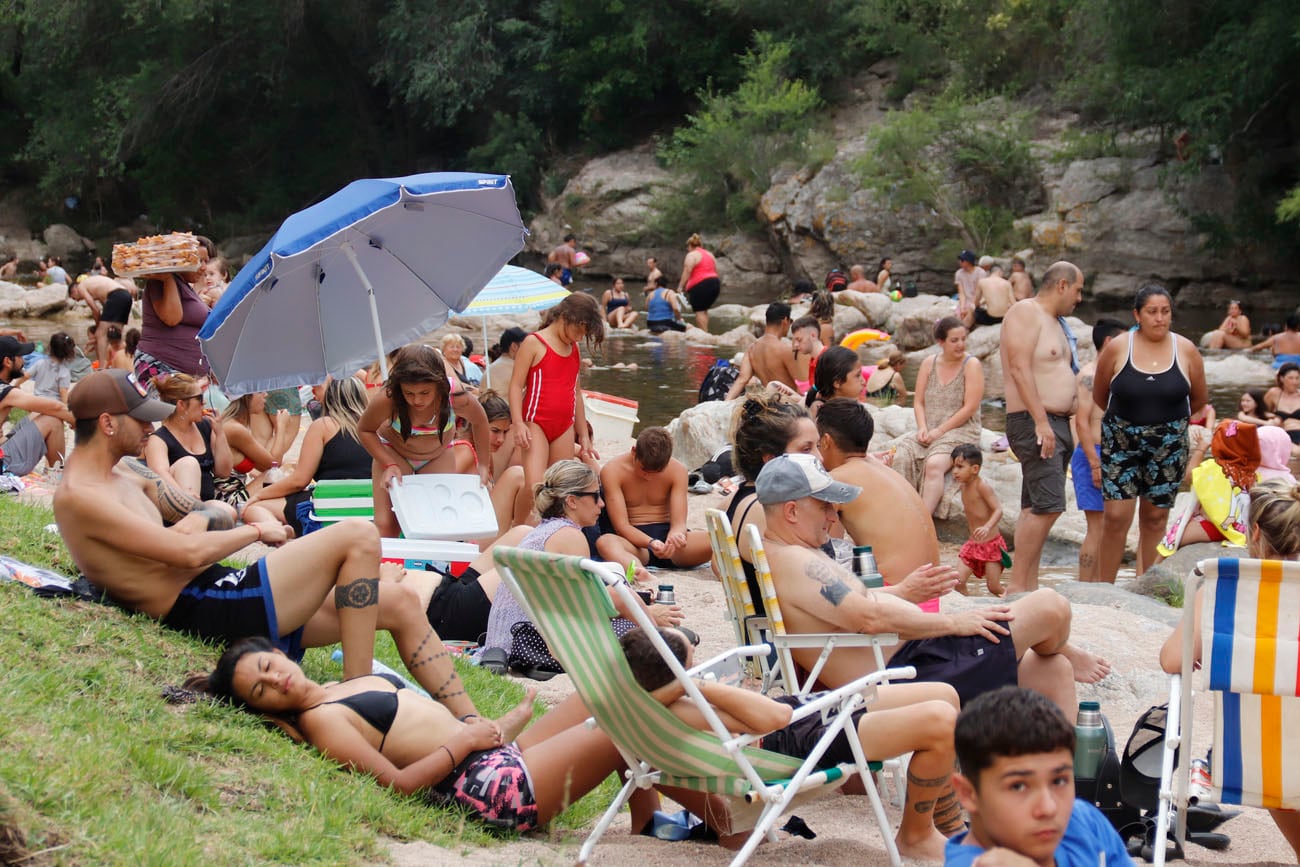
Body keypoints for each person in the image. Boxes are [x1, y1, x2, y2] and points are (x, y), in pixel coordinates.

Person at [55, 370, 486, 714]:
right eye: (140, 416)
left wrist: (211, 516)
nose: (151, 425)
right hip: (202, 603)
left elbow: (203, 513)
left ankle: (472, 721)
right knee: (359, 534)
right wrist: (256, 531)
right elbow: (187, 551)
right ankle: (358, 692)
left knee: (400, 603)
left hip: (220, 587)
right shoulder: (83, 496)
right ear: (108, 423)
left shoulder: (127, 475)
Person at [756, 453, 1098, 713]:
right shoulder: (801, 563)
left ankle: (1063, 790)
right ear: (791, 512)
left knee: (1052, 670)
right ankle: (1055, 643)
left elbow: (846, 606)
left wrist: (901, 592)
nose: (833, 516)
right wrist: (953, 623)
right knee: (1051, 607)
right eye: (825, 507)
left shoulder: (790, 554)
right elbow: (869, 619)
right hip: (912, 671)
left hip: (916, 659)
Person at [623, 626, 963, 861]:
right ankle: (916, 836)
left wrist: (687, 683)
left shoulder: (659, 696)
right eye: (691, 658)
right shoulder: (683, 706)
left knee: (945, 694)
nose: (697, 664)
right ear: (677, 672)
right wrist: (697, 686)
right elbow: (773, 718)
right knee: (939, 722)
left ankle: (945, 823)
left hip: (799, 713)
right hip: (798, 742)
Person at [1158, 478, 1300, 862]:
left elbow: (1173, 660)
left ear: (1254, 532)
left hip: (1258, 757)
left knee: (1274, 759)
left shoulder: (1226, 593)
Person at [481, 460, 681, 664]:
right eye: (596, 496)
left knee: (622, 604)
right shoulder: (569, 536)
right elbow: (587, 609)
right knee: (623, 607)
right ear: (572, 501)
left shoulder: (546, 530)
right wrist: (637, 609)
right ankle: (658, 642)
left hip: (509, 639)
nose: (601, 504)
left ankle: (655, 635)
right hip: (533, 640)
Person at [945, 686, 1134, 867]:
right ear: (968, 793)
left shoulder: (1083, 820)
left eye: (1059, 781)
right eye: (1018, 786)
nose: (1048, 808)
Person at [1093, 285, 1207, 582]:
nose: (1159, 318)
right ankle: (1104, 586)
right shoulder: (1119, 347)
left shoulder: (1186, 349)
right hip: (1121, 440)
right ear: (1137, 315)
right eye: (1152, 312)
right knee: (1117, 516)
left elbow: (1198, 401)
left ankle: (1145, 584)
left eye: (1165, 312)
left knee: (1155, 517)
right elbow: (1099, 395)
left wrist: (1167, 422)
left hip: (1168, 444)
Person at [816, 399, 953, 615]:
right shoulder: (882, 471)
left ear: (825, 441)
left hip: (897, 599)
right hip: (928, 601)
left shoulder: (837, 481)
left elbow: (823, 550)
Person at [1001, 261, 1085, 594]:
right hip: (1036, 420)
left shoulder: (1057, 323)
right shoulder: (1026, 312)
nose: (1079, 298)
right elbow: (1020, 368)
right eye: (1078, 290)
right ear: (1062, 285)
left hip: (1057, 422)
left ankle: (1027, 584)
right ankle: (1018, 587)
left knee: (1033, 506)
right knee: (1049, 506)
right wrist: (1040, 422)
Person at [359, 343, 491, 537]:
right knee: (386, 523)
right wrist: (388, 464)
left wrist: (484, 465)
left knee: (439, 524)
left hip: (438, 455)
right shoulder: (389, 397)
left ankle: (432, 566)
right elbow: (364, 429)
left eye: (425, 393)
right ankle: (387, 565)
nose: (417, 400)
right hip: (395, 453)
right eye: (409, 393)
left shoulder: (454, 395)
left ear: (439, 385)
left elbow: (480, 422)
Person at [722, 393, 824, 612]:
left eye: (818, 446)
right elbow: (819, 586)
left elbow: (716, 565)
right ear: (770, 459)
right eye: (806, 449)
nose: (820, 458)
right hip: (800, 637)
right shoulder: (770, 511)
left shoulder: (733, 502)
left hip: (766, 632)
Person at [243, 377, 374, 536]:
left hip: (327, 508)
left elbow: (299, 480)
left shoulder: (324, 425)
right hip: (370, 509)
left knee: (255, 508)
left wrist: (259, 495)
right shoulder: (375, 429)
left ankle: (282, 535)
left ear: (332, 396)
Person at [509, 292, 604, 499]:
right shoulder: (534, 342)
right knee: (535, 486)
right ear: (565, 317)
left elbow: (576, 393)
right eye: (579, 330)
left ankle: (548, 529)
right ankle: (521, 527)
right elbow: (516, 386)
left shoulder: (574, 348)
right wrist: (518, 423)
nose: (580, 337)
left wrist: (584, 436)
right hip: (536, 422)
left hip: (564, 426)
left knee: (561, 488)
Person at [891, 316, 984, 515]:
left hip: (961, 431)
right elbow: (918, 401)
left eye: (963, 339)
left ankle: (922, 521)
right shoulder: (928, 363)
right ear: (940, 342)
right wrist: (922, 427)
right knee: (900, 455)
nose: (960, 344)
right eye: (954, 340)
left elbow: (970, 407)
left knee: (933, 464)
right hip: (930, 427)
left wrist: (939, 431)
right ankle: (901, 513)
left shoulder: (971, 364)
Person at [597, 427, 713, 573]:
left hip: (670, 544)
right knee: (605, 542)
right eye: (644, 469)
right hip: (635, 545)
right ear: (634, 451)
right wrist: (651, 543)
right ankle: (642, 574)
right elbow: (622, 527)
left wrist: (676, 535)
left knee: (720, 539)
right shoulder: (613, 470)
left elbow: (679, 523)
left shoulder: (677, 470)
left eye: (657, 472)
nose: (648, 477)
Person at [1072, 318, 1128, 582]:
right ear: (1109, 342)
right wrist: (1095, 463)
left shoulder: (1118, 374)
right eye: (1124, 339)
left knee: (1113, 526)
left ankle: (1104, 585)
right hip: (1094, 453)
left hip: (1116, 455)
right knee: (1097, 527)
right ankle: (1085, 587)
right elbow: (1081, 422)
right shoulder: (1089, 376)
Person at [145, 373, 234, 505]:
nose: (204, 402)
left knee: (226, 511)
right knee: (189, 463)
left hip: (207, 503)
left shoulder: (206, 426)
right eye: (199, 398)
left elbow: (224, 472)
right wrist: (186, 497)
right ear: (181, 405)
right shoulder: (158, 440)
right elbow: (160, 476)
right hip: (178, 505)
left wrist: (220, 433)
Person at [134, 249, 211, 391]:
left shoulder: (184, 285)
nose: (204, 267)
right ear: (182, 258)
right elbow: (171, 318)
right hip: (160, 366)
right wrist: (167, 276)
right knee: (172, 412)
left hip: (185, 374)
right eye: (200, 260)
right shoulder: (159, 282)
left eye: (207, 261)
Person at [0, 336, 74, 475]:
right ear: (7, 361)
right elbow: (56, 408)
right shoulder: (6, 392)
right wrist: (78, 422)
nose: (24, 361)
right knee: (53, 420)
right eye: (20, 356)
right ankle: (55, 474)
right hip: (3, 466)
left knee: (37, 414)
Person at [951, 444, 1007, 597]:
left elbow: (998, 510)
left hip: (991, 545)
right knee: (958, 581)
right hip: (973, 544)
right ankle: (968, 608)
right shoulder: (963, 486)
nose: (954, 471)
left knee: (993, 587)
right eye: (953, 467)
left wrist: (987, 527)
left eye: (960, 467)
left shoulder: (982, 487)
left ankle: (1014, 603)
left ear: (975, 469)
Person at [220, 391, 295, 503]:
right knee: (290, 469)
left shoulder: (232, 424)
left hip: (229, 494)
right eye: (259, 392)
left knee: (288, 465)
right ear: (246, 397)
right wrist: (281, 427)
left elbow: (264, 466)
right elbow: (274, 464)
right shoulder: (234, 429)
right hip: (229, 500)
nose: (265, 394)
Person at [725, 302, 801, 399]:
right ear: (785, 320)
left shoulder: (752, 348)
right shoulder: (785, 349)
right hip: (790, 404)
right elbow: (800, 385)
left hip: (770, 403)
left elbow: (742, 379)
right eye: (791, 321)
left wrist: (725, 403)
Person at [72, 273, 138, 365]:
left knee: (100, 335)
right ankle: (124, 361)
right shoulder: (95, 285)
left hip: (116, 295)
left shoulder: (81, 287)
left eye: (74, 298)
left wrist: (98, 329)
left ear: (74, 290)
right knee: (116, 336)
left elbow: (96, 310)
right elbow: (106, 309)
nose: (77, 301)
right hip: (126, 297)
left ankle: (102, 367)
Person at [804, 345, 866, 415]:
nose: (864, 381)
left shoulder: (848, 405)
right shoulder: (822, 413)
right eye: (857, 375)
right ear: (838, 383)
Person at [677, 233, 721, 330]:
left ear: (690, 246)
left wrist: (680, 287)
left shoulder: (692, 255)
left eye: (687, 247)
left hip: (701, 285)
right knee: (704, 310)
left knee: (699, 311)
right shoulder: (710, 254)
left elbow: (687, 270)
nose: (687, 249)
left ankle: (703, 335)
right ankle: (706, 332)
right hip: (715, 283)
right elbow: (717, 269)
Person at [26, 331, 75, 402]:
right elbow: (63, 391)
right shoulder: (64, 371)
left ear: (51, 347)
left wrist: (16, 385)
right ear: (69, 352)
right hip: (53, 403)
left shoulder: (40, 363)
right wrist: (66, 408)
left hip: (37, 401)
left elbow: (26, 375)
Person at [1265, 362, 1300, 449]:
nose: (1295, 382)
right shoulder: (1274, 393)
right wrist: (1275, 418)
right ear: (1282, 378)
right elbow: (1261, 412)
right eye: (1291, 378)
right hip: (1282, 436)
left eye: (1297, 378)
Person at [789, 315, 825, 395]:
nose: (795, 345)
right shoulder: (813, 360)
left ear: (813, 335)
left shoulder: (827, 359)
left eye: (799, 340)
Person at [973, 260, 1016, 326]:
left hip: (990, 319)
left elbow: (976, 303)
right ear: (1000, 272)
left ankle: (967, 327)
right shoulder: (1007, 283)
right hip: (1003, 318)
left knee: (973, 308)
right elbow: (1014, 304)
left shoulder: (982, 282)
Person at [953, 250, 987, 329]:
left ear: (969, 261)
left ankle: (962, 330)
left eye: (962, 260)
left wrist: (971, 306)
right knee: (959, 315)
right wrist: (962, 308)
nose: (960, 262)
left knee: (970, 314)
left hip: (979, 301)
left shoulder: (980, 272)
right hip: (966, 301)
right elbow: (961, 293)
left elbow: (980, 292)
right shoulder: (959, 273)